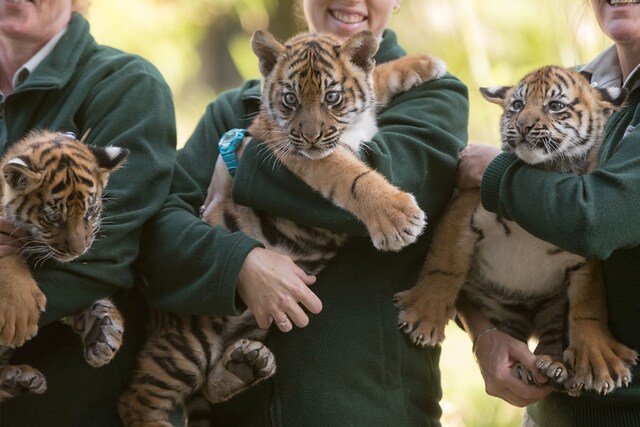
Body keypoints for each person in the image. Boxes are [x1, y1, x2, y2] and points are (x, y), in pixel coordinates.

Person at [138, 0, 468, 425]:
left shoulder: (434, 94)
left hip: (369, 413)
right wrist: (237, 264)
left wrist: (244, 152)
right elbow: (160, 229)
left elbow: (392, 181)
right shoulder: (232, 107)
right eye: (292, 103)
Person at [455, 1, 640, 425]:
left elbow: (596, 220)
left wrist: (493, 172)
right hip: (550, 414)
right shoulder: (563, 92)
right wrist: (483, 332)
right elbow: (484, 234)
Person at [0, 0, 176, 425]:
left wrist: (10, 265)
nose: (75, 237)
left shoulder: (127, 85)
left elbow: (103, 252)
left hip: (72, 407)